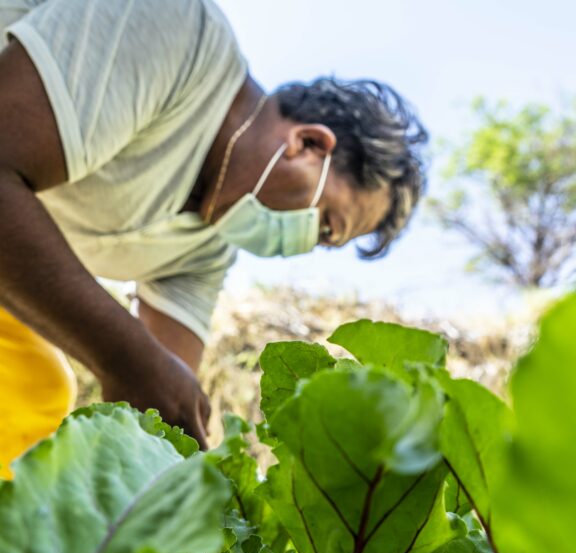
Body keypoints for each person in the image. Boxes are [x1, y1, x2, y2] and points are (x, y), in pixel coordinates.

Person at [0, 0, 428, 478]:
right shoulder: (176, 33)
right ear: (307, 144)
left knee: (35, 396)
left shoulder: (205, 251)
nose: (306, 246)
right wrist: (126, 358)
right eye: (327, 225)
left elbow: (163, 405)